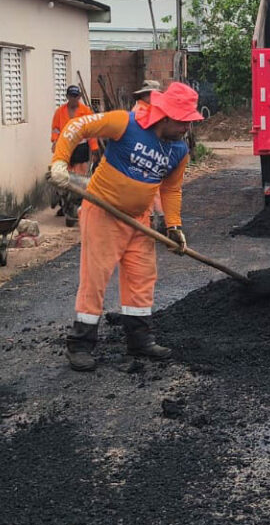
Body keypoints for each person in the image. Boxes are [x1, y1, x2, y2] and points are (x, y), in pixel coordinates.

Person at [48, 82, 203, 371]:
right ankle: (80, 344)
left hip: (140, 220)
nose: (187, 128)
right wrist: (59, 162)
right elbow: (77, 126)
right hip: (103, 212)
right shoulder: (126, 123)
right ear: (166, 116)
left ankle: (139, 340)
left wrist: (173, 226)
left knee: (142, 278)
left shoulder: (178, 150)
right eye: (183, 122)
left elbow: (171, 189)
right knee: (95, 279)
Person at [50, 86, 95, 227]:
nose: (73, 99)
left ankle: (78, 206)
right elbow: (55, 129)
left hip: (81, 146)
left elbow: (91, 131)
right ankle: (65, 204)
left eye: (76, 96)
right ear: (67, 97)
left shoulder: (85, 111)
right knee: (65, 177)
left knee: (80, 178)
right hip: (65, 146)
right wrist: (55, 141)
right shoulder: (60, 112)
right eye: (71, 96)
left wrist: (94, 148)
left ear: (79, 97)